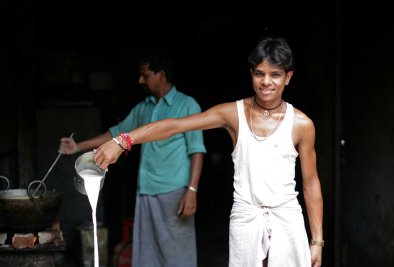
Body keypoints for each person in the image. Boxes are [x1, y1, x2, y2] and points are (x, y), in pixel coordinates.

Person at [93, 36, 324, 267]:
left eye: (275, 75)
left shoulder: (301, 124)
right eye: (259, 73)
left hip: (286, 216)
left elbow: (311, 183)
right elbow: (175, 125)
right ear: (251, 73)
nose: (266, 82)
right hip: (246, 216)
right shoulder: (232, 113)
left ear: (288, 77)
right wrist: (123, 140)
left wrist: (317, 240)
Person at [59, 47, 207, 267]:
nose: (140, 80)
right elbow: (116, 133)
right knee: (148, 256)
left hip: (174, 193)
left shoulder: (187, 105)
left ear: (161, 74)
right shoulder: (143, 108)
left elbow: (196, 151)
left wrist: (192, 191)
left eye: (145, 75)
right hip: (145, 190)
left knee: (178, 256)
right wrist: (78, 146)